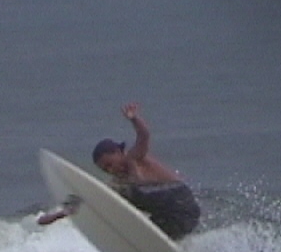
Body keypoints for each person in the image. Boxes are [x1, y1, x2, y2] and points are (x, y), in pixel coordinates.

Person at [38, 102, 200, 240]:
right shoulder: (120, 181)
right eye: (105, 169)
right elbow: (93, 195)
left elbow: (144, 135)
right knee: (143, 233)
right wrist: (57, 216)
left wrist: (134, 118)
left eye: (110, 164)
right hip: (177, 218)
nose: (110, 170)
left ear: (118, 152)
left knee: (122, 191)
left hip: (180, 199)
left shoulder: (134, 157)